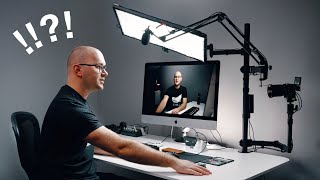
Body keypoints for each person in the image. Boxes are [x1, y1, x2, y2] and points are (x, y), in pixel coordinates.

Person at [38, 46, 211, 179]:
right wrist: (175, 162)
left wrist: (140, 150)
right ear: (78, 70)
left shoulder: (71, 100)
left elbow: (91, 144)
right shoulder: (71, 108)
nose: (106, 72)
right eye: (99, 67)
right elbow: (123, 147)